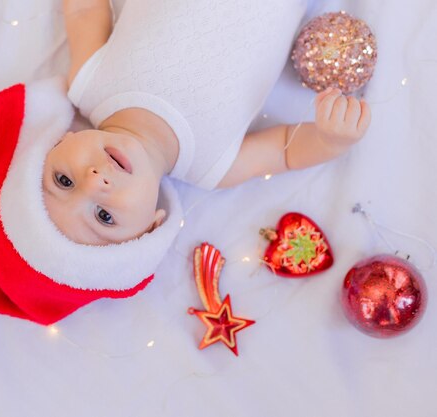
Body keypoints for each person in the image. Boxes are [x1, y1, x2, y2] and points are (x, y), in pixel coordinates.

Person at [43, 0, 372, 246]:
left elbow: (84, 10)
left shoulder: (89, 84)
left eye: (63, 180)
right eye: (105, 216)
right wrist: (331, 141)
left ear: (60, 142)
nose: (94, 181)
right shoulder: (213, 166)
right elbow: (284, 151)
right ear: (151, 228)